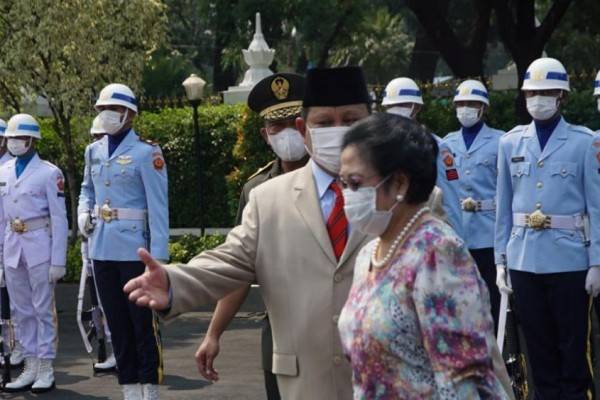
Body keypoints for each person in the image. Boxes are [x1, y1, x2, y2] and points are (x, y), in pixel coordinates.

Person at [125, 66, 373, 400]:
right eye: (324, 123)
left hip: (386, 382)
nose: (338, 131)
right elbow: (230, 261)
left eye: (351, 120)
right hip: (306, 384)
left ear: (372, 125)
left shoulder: (409, 194)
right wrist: (173, 283)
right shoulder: (269, 198)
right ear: (304, 129)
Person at [337, 113, 511, 399]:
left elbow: (463, 377)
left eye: (355, 184)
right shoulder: (369, 252)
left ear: (401, 183)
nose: (347, 196)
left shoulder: (437, 251)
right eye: (343, 183)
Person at [195, 73, 307, 400]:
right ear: (265, 134)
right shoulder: (257, 191)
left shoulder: (341, 179)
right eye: (277, 126)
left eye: (294, 121)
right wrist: (213, 333)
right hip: (280, 327)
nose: (287, 132)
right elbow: (240, 268)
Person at [495, 57, 600, 399]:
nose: (538, 99)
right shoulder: (510, 143)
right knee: (536, 348)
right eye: (532, 93)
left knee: (572, 348)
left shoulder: (583, 142)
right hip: (524, 259)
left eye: (547, 92)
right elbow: (504, 207)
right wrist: (500, 260)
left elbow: (595, 206)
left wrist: (596, 261)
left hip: (571, 260)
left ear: (562, 97)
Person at [78, 83, 168, 400]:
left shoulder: (146, 152)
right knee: (116, 323)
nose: (105, 115)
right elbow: (87, 190)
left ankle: (150, 387)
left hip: (135, 251)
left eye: (111, 110)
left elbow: (158, 209)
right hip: (102, 248)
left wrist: (159, 260)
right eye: (102, 109)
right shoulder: (94, 151)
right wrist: (83, 213)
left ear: (129, 114)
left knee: (142, 324)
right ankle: (129, 387)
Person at [0, 114, 68, 393]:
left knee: (42, 309)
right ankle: (29, 365)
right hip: (12, 246)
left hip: (40, 245)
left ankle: (45, 367)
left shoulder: (50, 173)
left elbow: (60, 218)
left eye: (20, 138)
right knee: (20, 310)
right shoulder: (3, 171)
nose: (14, 142)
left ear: (32, 140)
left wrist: (59, 260)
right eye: (11, 137)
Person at [442, 80, 504, 327]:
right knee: (461, 299)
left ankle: (503, 354)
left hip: (489, 231)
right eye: (461, 104)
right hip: (458, 231)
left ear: (483, 108)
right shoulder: (447, 143)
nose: (465, 108)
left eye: (472, 104)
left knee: (494, 300)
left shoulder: (501, 141)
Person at [382, 77, 464, 238]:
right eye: (391, 106)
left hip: (427, 233)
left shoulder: (437, 146)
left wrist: (457, 241)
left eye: (403, 105)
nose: (396, 109)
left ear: (417, 107)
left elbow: (450, 201)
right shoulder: (378, 146)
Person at [81, 115, 116, 373]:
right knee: (103, 302)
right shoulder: (92, 156)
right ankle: (115, 351)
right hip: (95, 238)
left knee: (124, 302)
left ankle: (130, 351)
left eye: (99, 136)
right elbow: (87, 191)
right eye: (94, 137)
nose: (97, 141)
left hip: (120, 240)